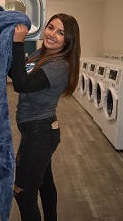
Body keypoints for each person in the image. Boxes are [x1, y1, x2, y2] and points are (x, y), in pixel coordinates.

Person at [9, 13, 81, 221]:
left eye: (61, 33)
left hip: (38, 134)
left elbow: (22, 86)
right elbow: (20, 75)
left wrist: (18, 43)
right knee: (45, 183)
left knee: (22, 194)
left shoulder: (59, 65)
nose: (52, 34)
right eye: (51, 27)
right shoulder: (41, 54)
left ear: (69, 40)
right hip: (40, 131)